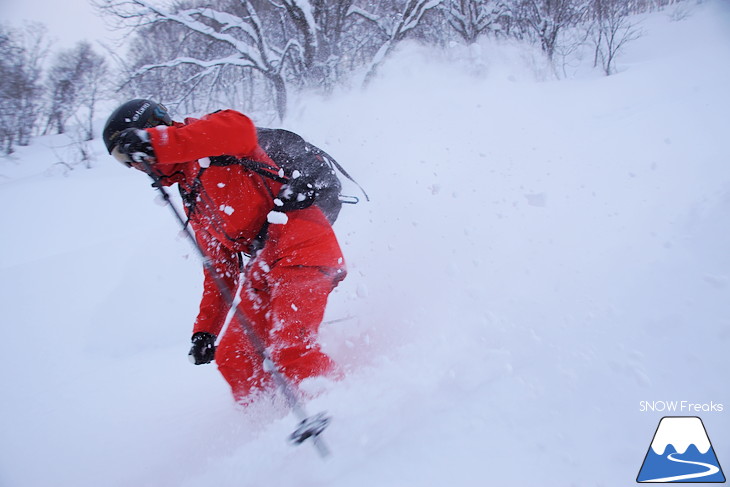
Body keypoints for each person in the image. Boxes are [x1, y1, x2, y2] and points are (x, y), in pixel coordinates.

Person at [102, 99, 346, 403]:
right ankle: (270, 422)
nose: (133, 165)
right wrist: (206, 330)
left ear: (149, 131)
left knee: (289, 348)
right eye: (122, 160)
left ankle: (343, 410)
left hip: (303, 245)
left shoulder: (207, 139)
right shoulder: (191, 193)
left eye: (129, 152)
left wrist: (160, 143)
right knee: (235, 356)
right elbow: (220, 268)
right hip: (265, 266)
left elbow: (241, 130)